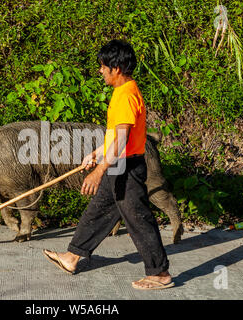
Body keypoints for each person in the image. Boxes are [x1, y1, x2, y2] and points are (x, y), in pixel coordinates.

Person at [43, 40, 174, 290]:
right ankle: (72, 257)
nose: (100, 71)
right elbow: (116, 136)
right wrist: (96, 153)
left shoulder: (126, 96)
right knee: (99, 210)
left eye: (103, 66)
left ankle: (160, 274)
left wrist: (99, 170)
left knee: (138, 218)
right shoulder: (123, 92)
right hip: (118, 164)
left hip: (126, 167)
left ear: (116, 68)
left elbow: (123, 140)